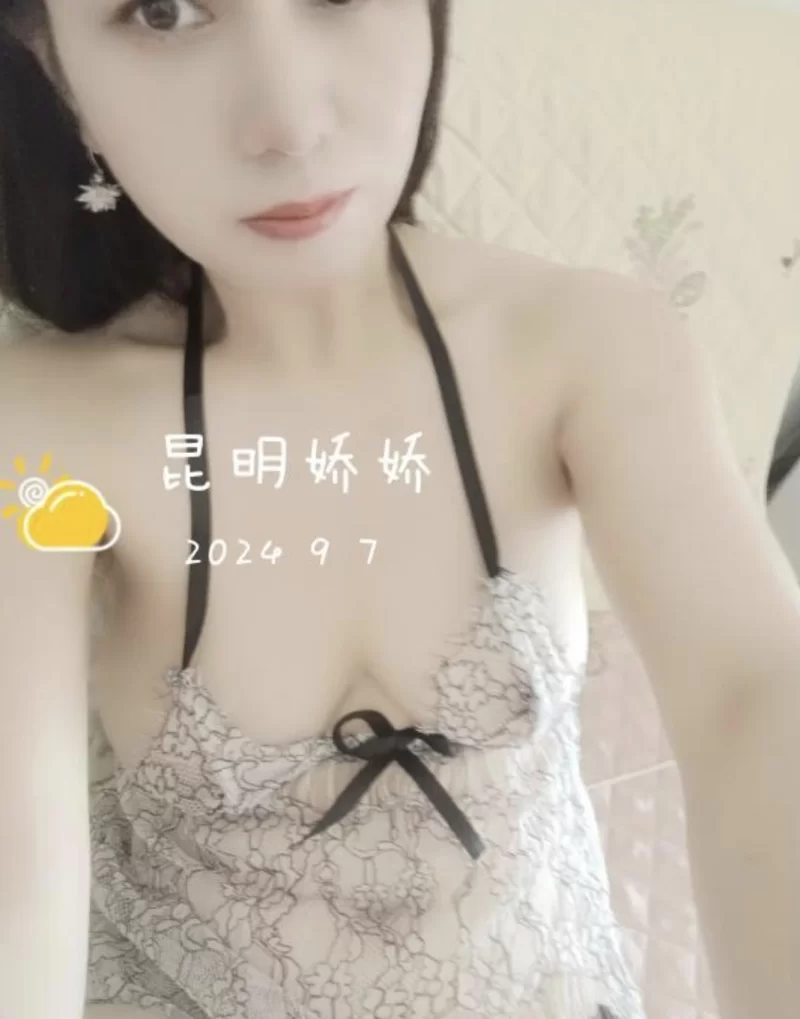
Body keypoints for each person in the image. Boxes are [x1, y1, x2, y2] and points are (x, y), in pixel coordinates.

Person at [1, 2, 799, 1019]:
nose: (290, 124)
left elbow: (752, 693)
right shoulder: (41, 430)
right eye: (165, 11)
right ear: (56, 67)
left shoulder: (587, 346)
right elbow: (18, 854)